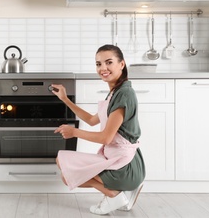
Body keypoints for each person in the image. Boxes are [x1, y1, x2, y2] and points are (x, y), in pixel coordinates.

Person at [51, 44, 145, 215]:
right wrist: (65, 99)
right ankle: (117, 195)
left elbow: (106, 138)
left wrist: (74, 133)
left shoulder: (124, 94)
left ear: (121, 64)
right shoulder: (114, 92)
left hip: (125, 166)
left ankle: (114, 195)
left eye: (109, 62)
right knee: (65, 167)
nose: (103, 68)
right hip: (115, 159)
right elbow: (92, 120)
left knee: (68, 175)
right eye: (98, 64)